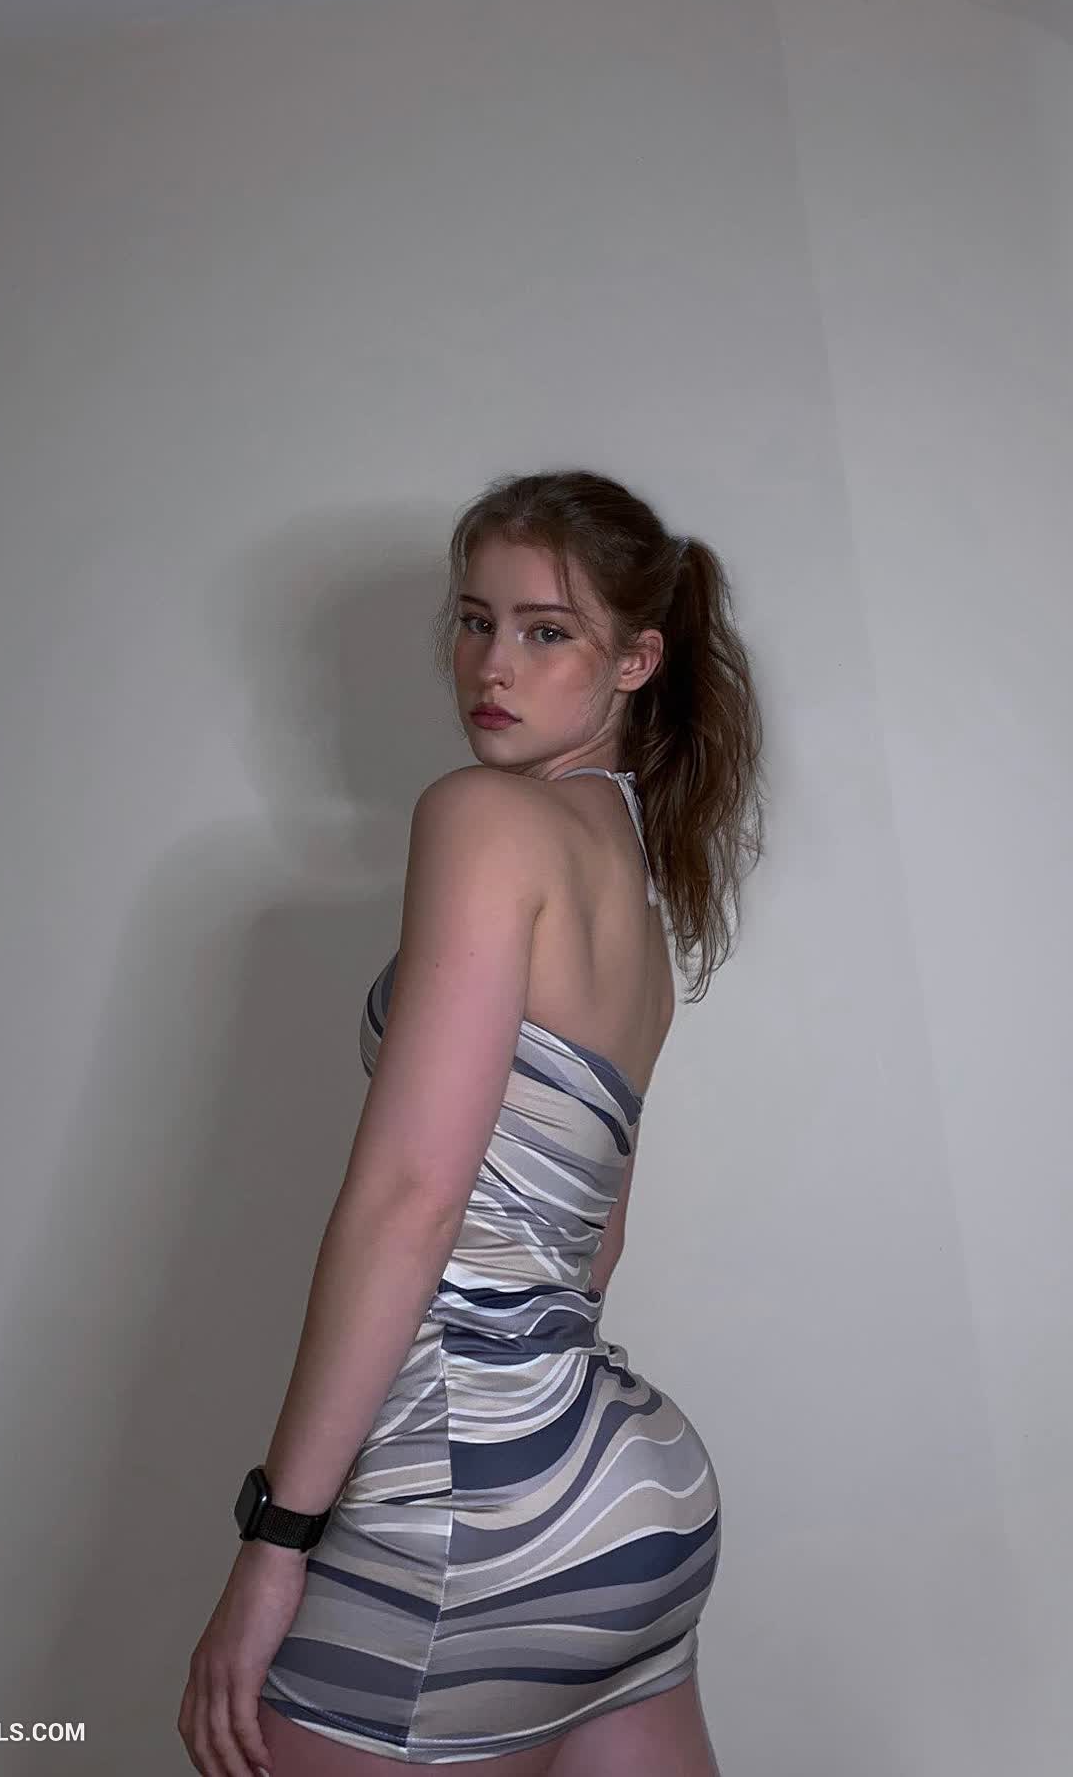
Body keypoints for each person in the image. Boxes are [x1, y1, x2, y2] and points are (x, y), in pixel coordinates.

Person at [179, 470, 765, 1774]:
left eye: (546, 631)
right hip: (631, 1491)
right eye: (474, 620)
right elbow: (595, 1246)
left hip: (468, 1493)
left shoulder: (483, 819)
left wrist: (278, 1539)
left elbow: (411, 1202)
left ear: (636, 661)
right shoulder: (636, 895)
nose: (492, 664)